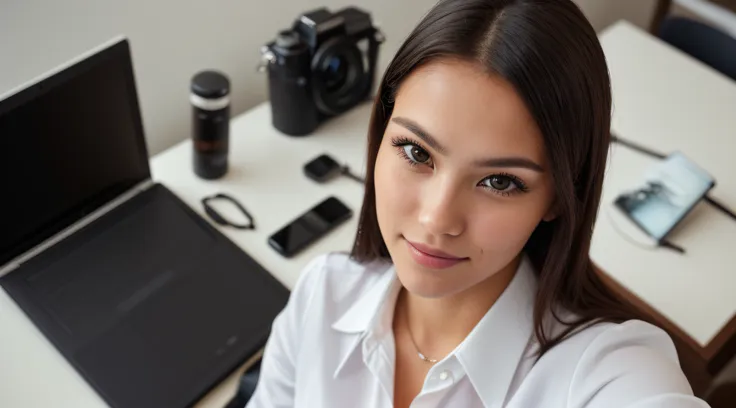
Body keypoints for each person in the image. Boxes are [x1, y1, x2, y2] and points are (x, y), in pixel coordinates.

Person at [246, 0, 710, 407]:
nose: (436, 219)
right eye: (416, 153)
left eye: (500, 182)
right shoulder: (321, 296)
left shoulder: (604, 374)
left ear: (560, 197)